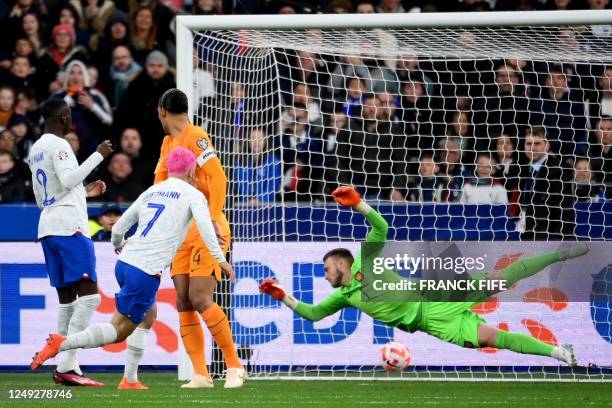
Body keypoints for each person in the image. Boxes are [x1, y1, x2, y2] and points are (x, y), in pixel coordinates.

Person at [260, 186, 585, 367]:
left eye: (327, 269)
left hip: (435, 293)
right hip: (432, 322)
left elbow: (382, 227)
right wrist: (283, 296)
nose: (325, 275)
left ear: (342, 265)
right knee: (491, 339)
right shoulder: (343, 297)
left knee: (501, 279)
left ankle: (561, 253)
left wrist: (360, 205)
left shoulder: (364, 258)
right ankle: (557, 352)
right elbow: (314, 314)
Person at [31, 147, 234, 391]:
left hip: (125, 263)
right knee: (119, 331)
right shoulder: (193, 195)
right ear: (192, 170)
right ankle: (61, 343)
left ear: (169, 169)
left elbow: (118, 228)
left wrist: (120, 245)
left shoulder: (152, 191)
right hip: (144, 271)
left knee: (148, 315)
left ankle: (130, 379)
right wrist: (220, 259)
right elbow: (205, 227)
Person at [154, 89, 245, 388]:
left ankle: (234, 365)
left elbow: (218, 176)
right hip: (179, 232)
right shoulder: (167, 143)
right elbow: (158, 186)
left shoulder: (196, 136)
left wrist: (215, 215)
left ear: (162, 111)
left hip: (206, 227)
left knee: (200, 296)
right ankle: (201, 374)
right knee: (182, 301)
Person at [26, 98, 113, 386]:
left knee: (67, 299)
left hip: (48, 226)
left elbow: (51, 192)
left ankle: (69, 368)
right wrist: (98, 155)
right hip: (69, 227)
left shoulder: (35, 149)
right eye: (70, 115)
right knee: (90, 297)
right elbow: (67, 180)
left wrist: (84, 193)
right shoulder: (60, 145)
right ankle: (65, 361)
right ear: (63, 117)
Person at [518, 127, 575, 240]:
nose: (532, 148)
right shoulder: (523, 170)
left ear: (547, 146)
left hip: (550, 240)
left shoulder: (557, 171)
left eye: (537, 143)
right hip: (529, 237)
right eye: (528, 143)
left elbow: (564, 210)